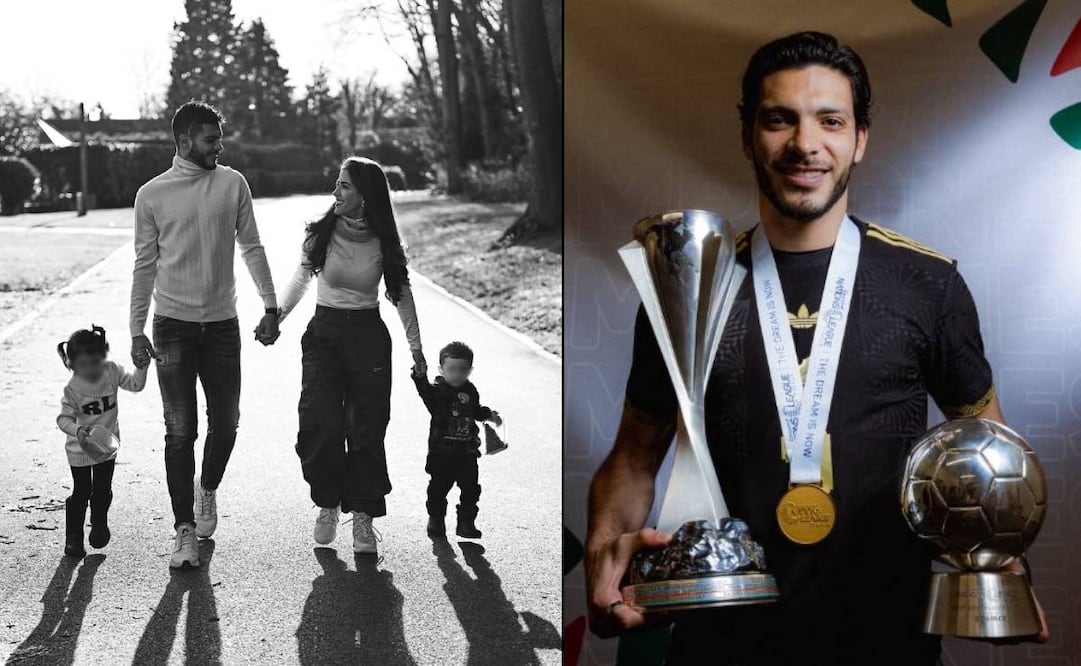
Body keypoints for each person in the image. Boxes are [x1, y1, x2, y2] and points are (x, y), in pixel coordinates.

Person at [584, 32, 1048, 664]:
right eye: (780, 120)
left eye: (831, 120)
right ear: (747, 136)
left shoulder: (928, 284)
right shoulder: (689, 282)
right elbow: (635, 456)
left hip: (890, 646)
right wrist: (601, 557)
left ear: (860, 139)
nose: (806, 144)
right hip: (721, 649)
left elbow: (986, 455)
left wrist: (1003, 566)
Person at [129, 101, 280, 570]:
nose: (220, 145)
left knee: (227, 422)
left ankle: (206, 489)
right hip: (171, 327)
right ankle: (184, 530)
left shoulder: (232, 184)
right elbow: (144, 264)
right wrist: (136, 328)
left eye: (220, 138)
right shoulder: (151, 195)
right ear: (184, 142)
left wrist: (271, 305)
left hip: (220, 326)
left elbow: (251, 246)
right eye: (211, 139)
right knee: (179, 431)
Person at [278, 156, 426, 555]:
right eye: (337, 184)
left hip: (367, 337)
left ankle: (363, 514)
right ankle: (327, 502)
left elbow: (401, 294)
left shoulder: (383, 241)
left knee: (366, 429)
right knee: (319, 423)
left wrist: (418, 350)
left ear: (365, 194)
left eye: (344, 185)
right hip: (324, 335)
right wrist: (276, 316)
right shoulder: (322, 233)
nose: (336, 192)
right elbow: (300, 277)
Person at [56, 325, 147, 558]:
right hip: (80, 449)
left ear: (103, 356)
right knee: (82, 491)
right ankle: (74, 537)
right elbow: (63, 419)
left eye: (94, 362)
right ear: (72, 364)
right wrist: (77, 430)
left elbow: (135, 384)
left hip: (106, 446)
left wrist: (142, 368)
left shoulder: (112, 371)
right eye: (82, 365)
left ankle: (98, 523)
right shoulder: (73, 388)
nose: (89, 369)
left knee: (102, 490)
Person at [411, 341, 502, 539]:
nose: (457, 374)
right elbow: (424, 390)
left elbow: (476, 410)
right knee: (438, 488)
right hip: (441, 453)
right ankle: (436, 519)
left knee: (471, 489)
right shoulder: (437, 392)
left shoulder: (471, 391)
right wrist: (419, 375)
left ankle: (466, 523)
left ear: (470, 370)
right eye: (451, 369)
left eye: (462, 369)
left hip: (467, 453)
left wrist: (489, 415)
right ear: (441, 370)